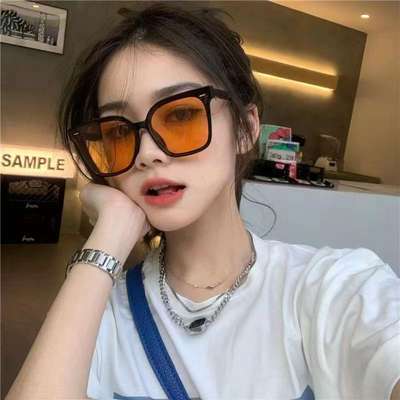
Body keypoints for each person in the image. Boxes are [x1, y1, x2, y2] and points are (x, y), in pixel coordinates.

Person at [5, 3, 400, 400]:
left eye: (180, 115)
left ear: (245, 129)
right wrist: (108, 235)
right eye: (118, 132)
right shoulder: (97, 311)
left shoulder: (334, 289)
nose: (146, 153)